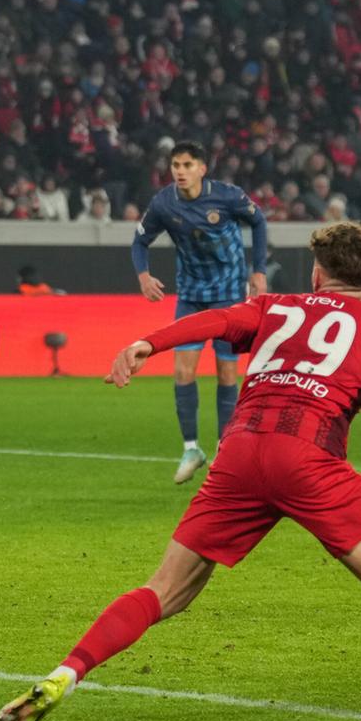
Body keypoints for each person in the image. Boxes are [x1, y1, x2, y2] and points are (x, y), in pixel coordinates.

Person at [0, 222, 361, 721]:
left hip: (240, 453)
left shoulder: (275, 306)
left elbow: (218, 320)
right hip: (308, 458)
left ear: (318, 272)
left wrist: (146, 344)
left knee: (165, 591)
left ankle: (64, 673)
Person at [132, 140, 271, 484]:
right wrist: (144, 276)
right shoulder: (164, 202)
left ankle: (225, 451)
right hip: (192, 296)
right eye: (175, 165)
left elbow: (259, 222)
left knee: (226, 374)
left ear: (201, 169)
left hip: (229, 297)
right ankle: (191, 448)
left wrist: (259, 270)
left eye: (186, 165)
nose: (179, 171)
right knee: (183, 372)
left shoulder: (227, 196)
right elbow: (139, 241)